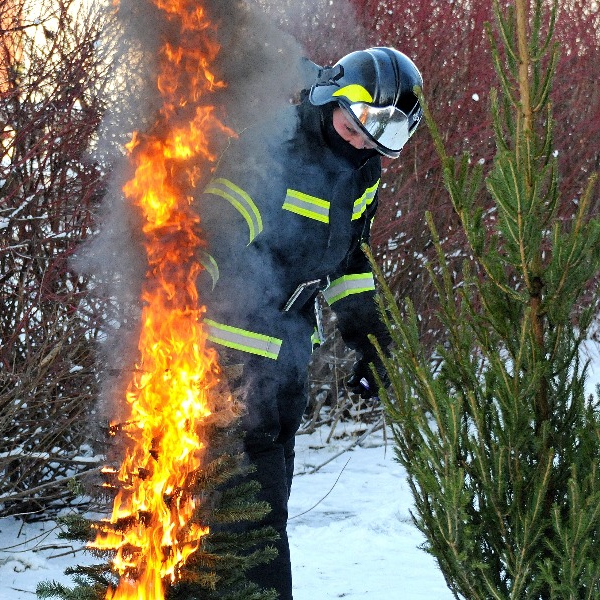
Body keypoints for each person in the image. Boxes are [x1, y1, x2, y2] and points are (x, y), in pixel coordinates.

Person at [195, 47, 424, 599]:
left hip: (288, 358)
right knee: (239, 523)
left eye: (372, 140)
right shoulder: (275, 147)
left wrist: (369, 340)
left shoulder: (363, 169)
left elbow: (350, 257)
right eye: (351, 129)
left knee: (262, 516)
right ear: (329, 99)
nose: (358, 145)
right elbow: (218, 227)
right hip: (226, 362)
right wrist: (188, 281)